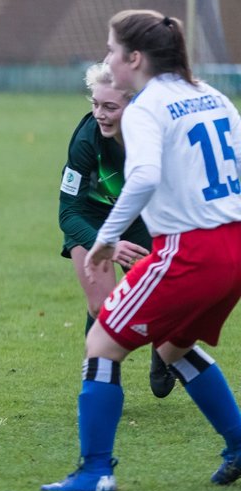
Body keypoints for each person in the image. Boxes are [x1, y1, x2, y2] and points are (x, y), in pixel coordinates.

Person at [42, 9, 241, 491]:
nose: (108, 58)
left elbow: (145, 175)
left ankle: (94, 471)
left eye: (112, 49)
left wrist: (106, 238)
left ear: (134, 57)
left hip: (192, 249)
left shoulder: (150, 105)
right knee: (174, 347)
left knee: (102, 345)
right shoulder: (211, 95)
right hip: (234, 245)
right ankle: (238, 445)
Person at [59, 62, 175, 398]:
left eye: (110, 106)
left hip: (139, 220)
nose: (99, 114)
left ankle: (162, 354)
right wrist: (105, 242)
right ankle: (100, 379)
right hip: (90, 217)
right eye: (95, 104)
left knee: (164, 300)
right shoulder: (86, 140)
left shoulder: (159, 137)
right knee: (103, 305)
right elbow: (68, 213)